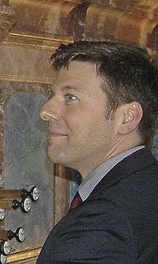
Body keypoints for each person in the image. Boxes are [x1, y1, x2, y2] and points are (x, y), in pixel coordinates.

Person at [37, 41, 158, 263]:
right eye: (51, 95)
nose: (45, 111)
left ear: (127, 117)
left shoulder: (105, 220)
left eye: (71, 97)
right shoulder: (147, 183)